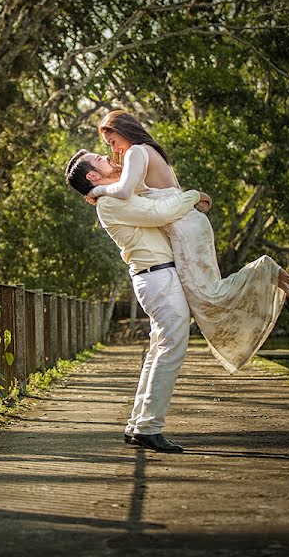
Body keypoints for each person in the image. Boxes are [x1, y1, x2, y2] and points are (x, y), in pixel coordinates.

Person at [91, 110, 289, 373]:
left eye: (112, 140)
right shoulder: (143, 152)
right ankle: (265, 274)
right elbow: (148, 191)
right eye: (108, 145)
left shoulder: (136, 151)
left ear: (123, 129)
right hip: (188, 224)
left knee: (206, 295)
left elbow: (127, 191)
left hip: (184, 227)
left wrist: (97, 190)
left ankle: (265, 270)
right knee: (208, 292)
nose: (112, 147)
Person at [65, 150, 208, 453]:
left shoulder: (114, 196)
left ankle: (138, 424)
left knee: (159, 351)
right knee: (170, 351)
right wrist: (193, 194)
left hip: (158, 278)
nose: (107, 155)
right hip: (159, 278)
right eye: (99, 158)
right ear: (93, 176)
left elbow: (152, 200)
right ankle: (148, 427)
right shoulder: (111, 202)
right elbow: (161, 213)